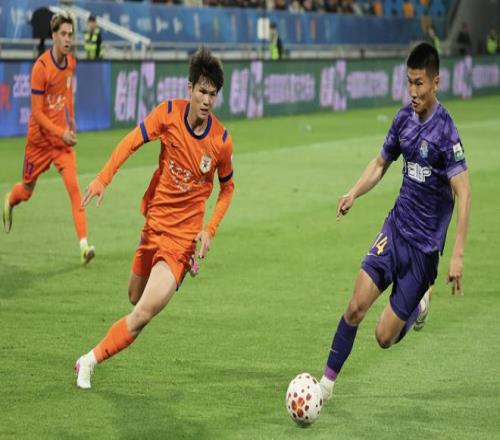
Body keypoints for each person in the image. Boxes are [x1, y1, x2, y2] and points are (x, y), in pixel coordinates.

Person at [317, 42, 471, 402]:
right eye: (409, 82)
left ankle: (420, 304)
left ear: (436, 82)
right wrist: (353, 192)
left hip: (423, 252)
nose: (413, 91)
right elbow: (380, 163)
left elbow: (464, 193)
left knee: (384, 337)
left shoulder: (446, 133)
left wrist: (457, 255)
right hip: (395, 229)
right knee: (356, 305)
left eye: (419, 83)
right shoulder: (403, 120)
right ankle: (325, 386)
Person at [74, 47, 235, 389]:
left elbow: (228, 189)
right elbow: (132, 141)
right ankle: (167, 276)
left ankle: (88, 360)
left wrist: (210, 229)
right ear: (190, 88)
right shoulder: (168, 114)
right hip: (153, 226)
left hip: (180, 243)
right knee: (134, 296)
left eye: (213, 94)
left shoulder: (221, 141)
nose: (207, 100)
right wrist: (103, 178)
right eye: (202, 91)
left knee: (141, 314)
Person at [2, 11, 95, 265]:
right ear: (53, 36)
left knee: (75, 190)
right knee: (26, 191)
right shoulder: (41, 68)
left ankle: (84, 246)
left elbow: (66, 94)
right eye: (63, 34)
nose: (68, 39)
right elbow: (37, 113)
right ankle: (9, 201)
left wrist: (71, 120)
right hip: (39, 142)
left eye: (70, 34)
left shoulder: (71, 63)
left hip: (61, 143)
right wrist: (60, 132)